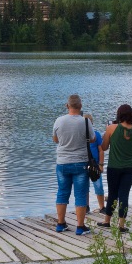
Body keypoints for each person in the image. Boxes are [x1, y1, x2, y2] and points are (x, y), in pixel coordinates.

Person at [99, 103, 132, 233]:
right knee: (124, 194)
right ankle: (121, 226)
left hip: (114, 167)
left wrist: (106, 134)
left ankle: (107, 221)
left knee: (113, 194)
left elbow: (104, 147)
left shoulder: (111, 128)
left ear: (119, 115)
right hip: (131, 167)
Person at [52, 94, 92, 235]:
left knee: (62, 192)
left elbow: (55, 139)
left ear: (67, 106)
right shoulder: (85, 122)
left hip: (62, 163)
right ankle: (80, 227)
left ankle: (61, 224)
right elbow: (92, 139)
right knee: (80, 195)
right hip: (80, 163)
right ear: (80, 106)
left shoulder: (59, 120)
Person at [85, 112, 106, 214]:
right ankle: (86, 207)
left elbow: (101, 150)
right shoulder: (80, 136)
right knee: (84, 186)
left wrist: (101, 165)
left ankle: (102, 207)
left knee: (98, 186)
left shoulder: (96, 134)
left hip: (95, 165)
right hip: (83, 165)